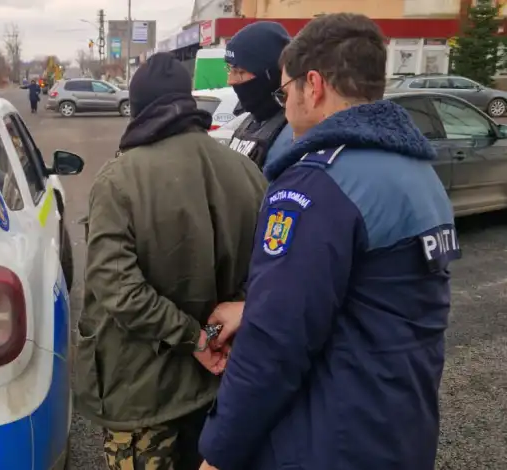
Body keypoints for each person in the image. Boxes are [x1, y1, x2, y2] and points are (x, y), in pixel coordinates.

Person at [198, 13, 460, 470]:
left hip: (330, 440)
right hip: (402, 428)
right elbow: (372, 295)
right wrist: (254, 307)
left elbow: (274, 348)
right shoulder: (419, 173)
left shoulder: (315, 187)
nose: (284, 106)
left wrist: (217, 453)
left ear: (313, 85)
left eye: (284, 91)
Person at [74, 52, 267, 470]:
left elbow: (118, 290)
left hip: (143, 396)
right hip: (221, 385)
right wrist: (209, 335)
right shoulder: (247, 172)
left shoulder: (118, 180)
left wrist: (194, 339)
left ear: (138, 108)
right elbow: (266, 273)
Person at [225, 21, 294, 174]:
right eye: (230, 70)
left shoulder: (294, 132)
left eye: (240, 72)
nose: (230, 81)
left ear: (270, 75)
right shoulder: (249, 122)